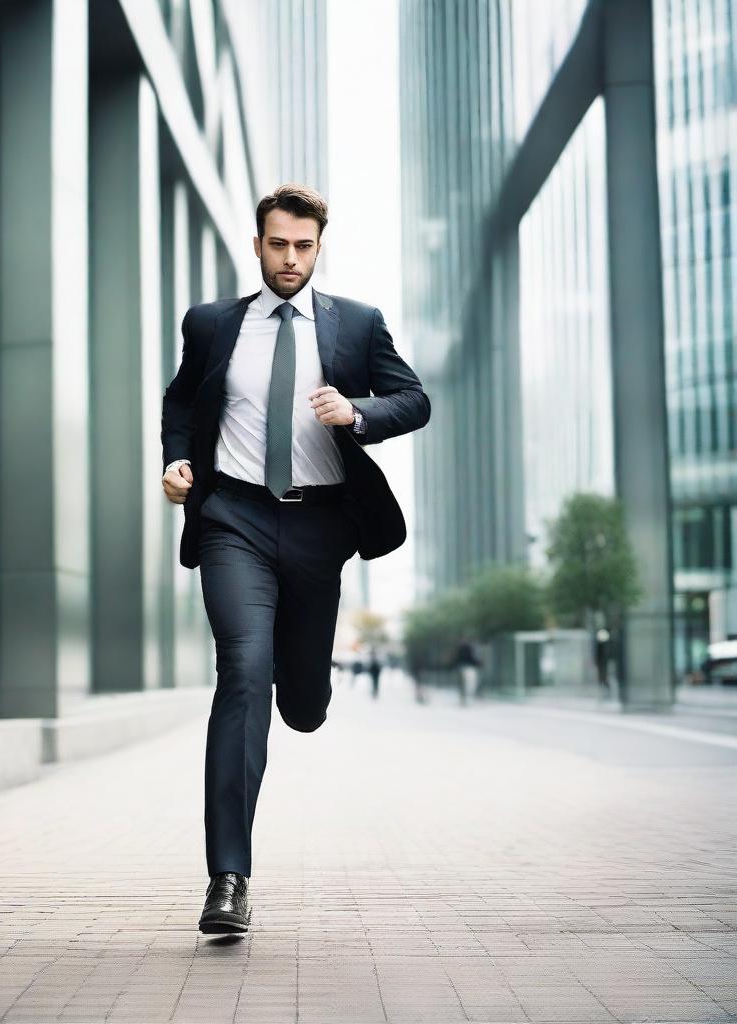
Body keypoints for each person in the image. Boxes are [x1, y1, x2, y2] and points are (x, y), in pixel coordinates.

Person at [161, 183, 431, 935]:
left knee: (301, 707)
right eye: (277, 244)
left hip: (320, 531)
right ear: (257, 244)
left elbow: (414, 399)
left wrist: (360, 412)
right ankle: (228, 879)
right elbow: (183, 403)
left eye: (303, 246)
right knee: (242, 673)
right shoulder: (214, 325)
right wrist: (178, 460)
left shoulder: (357, 325)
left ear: (319, 246)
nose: (290, 258)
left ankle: (307, 685)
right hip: (233, 519)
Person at [453, 638, 482, 706]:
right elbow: (473, 659)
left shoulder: (460, 649)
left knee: (462, 684)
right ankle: (466, 698)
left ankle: (463, 699)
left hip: (461, 667)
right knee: (468, 684)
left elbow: (456, 659)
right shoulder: (470, 649)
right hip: (468, 668)